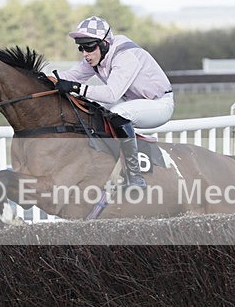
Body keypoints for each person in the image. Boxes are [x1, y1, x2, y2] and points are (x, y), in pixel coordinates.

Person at [55, 16, 174, 188]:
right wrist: (38, 77)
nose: (85, 53)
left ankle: (135, 176)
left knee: (118, 113)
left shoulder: (125, 56)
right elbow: (70, 76)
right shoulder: (97, 55)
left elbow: (111, 94)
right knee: (93, 108)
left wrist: (76, 87)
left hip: (159, 105)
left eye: (89, 47)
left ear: (104, 44)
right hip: (133, 102)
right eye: (81, 47)